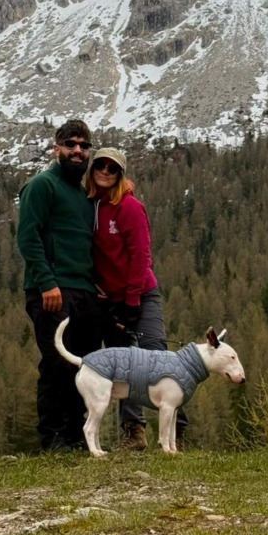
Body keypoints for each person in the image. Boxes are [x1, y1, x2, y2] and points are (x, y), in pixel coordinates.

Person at [85, 146, 187, 451]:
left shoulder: (129, 207)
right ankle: (134, 433)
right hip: (108, 301)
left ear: (120, 174)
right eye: (100, 166)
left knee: (158, 359)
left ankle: (177, 434)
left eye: (112, 168)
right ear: (92, 171)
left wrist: (132, 301)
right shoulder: (90, 207)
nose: (105, 171)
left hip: (141, 295)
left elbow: (141, 257)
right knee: (121, 365)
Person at [17, 118, 103, 452]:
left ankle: (78, 437)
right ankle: (53, 438)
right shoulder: (42, 185)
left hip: (84, 292)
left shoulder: (83, 195)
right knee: (56, 363)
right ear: (57, 149)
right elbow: (28, 237)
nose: (77, 151)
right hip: (51, 291)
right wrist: (46, 283)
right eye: (70, 144)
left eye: (83, 145)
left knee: (85, 365)